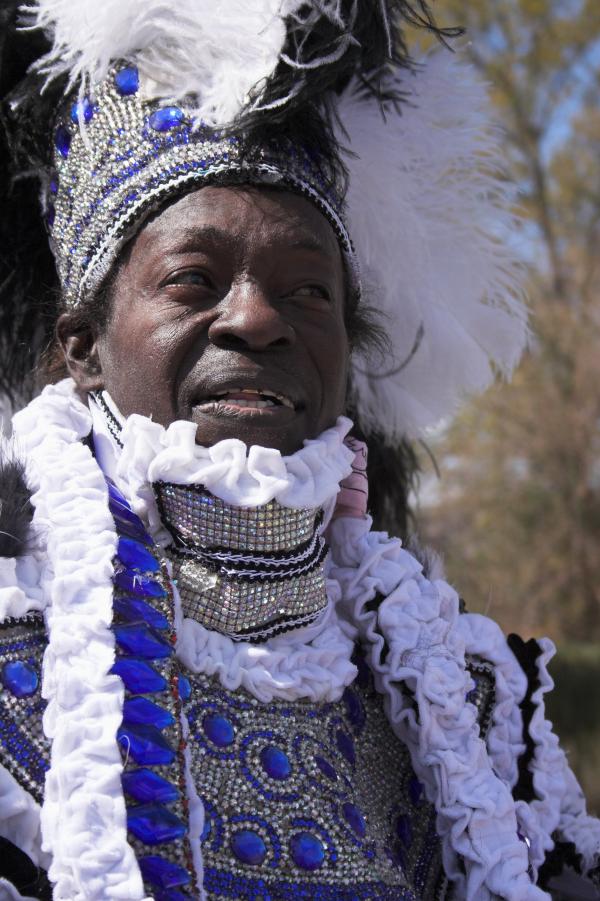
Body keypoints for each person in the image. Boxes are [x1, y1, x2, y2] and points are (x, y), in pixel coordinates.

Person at [0, 2, 598, 899]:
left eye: (308, 289)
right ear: (84, 343)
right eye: (193, 279)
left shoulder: (474, 704)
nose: (257, 319)